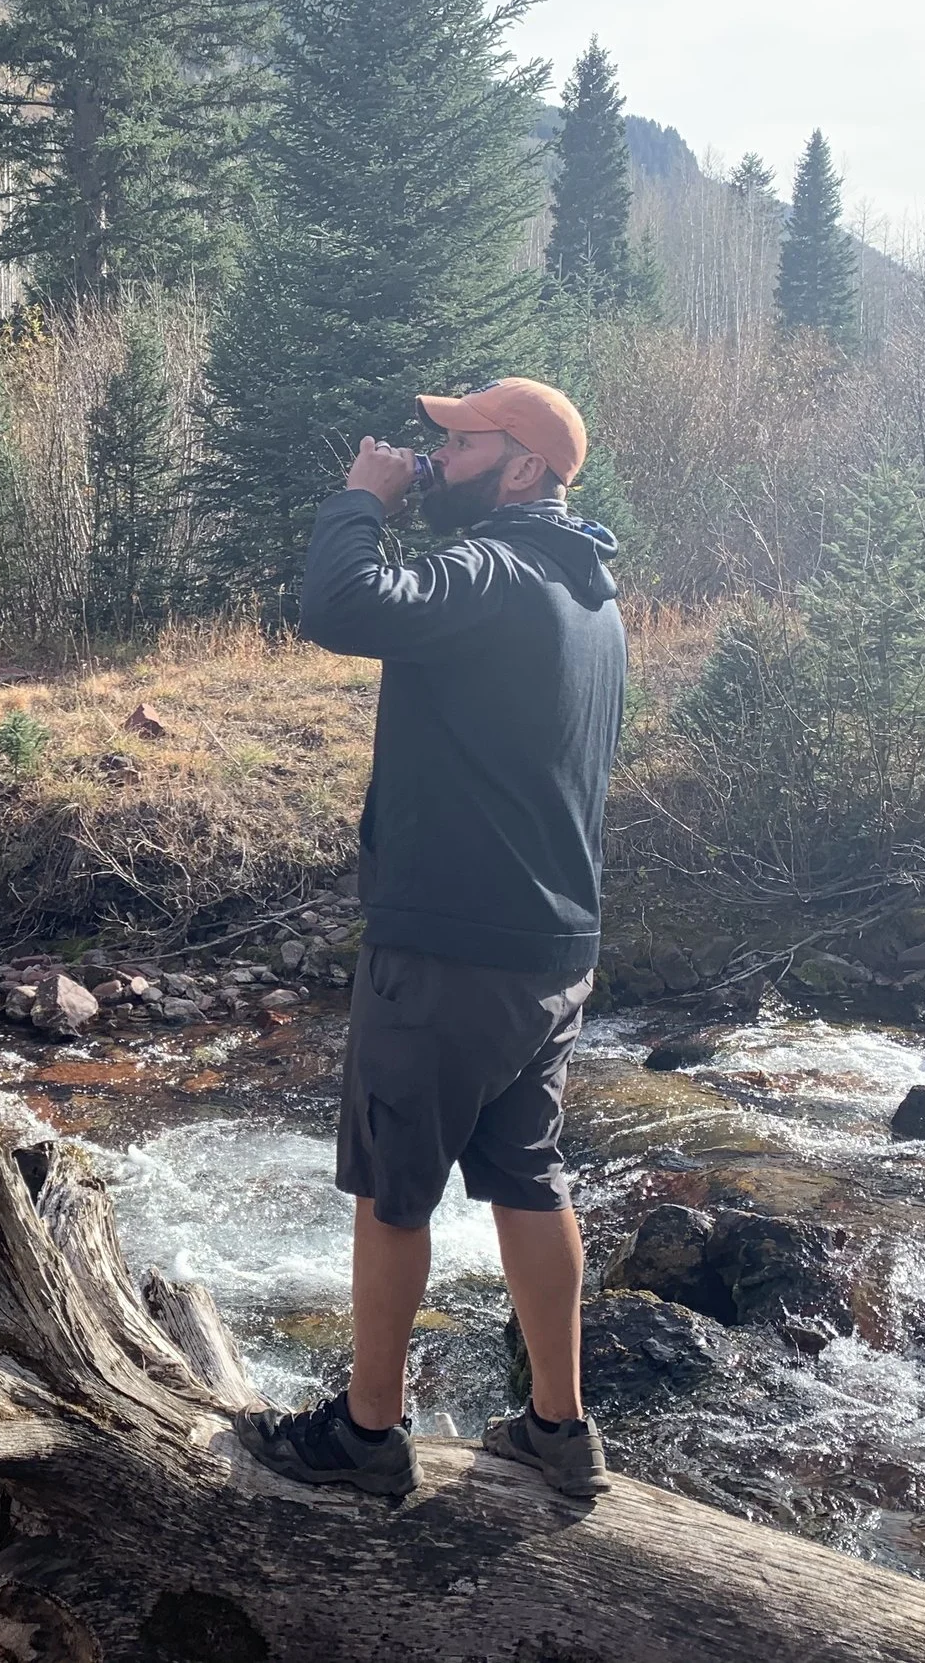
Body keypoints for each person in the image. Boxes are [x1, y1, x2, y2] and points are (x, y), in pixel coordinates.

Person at [239, 377, 626, 1501]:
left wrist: (358, 498)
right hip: (552, 953)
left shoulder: (495, 572)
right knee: (529, 1178)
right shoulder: (589, 594)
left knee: (392, 1190)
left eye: (459, 440)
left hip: (448, 949)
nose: (432, 451)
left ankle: (366, 1436)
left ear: (523, 469)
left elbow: (341, 606)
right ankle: (558, 1429)